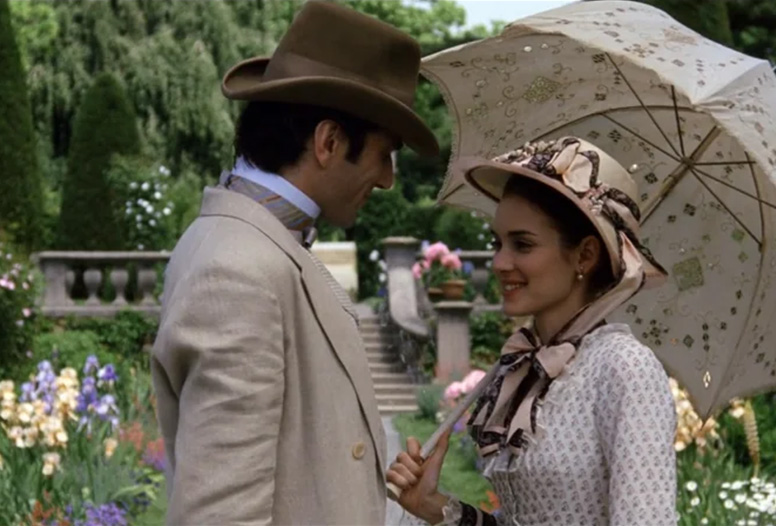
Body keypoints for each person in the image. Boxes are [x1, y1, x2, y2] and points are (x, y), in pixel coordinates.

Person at [150, 1, 439, 524]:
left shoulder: (254, 245)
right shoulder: (238, 268)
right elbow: (222, 514)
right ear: (329, 142)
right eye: (384, 153)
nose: (388, 179)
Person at [386, 137, 677, 525]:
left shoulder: (624, 369)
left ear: (585, 255)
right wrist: (431, 505)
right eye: (497, 242)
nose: (500, 262)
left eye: (522, 244)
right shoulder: (522, 369)